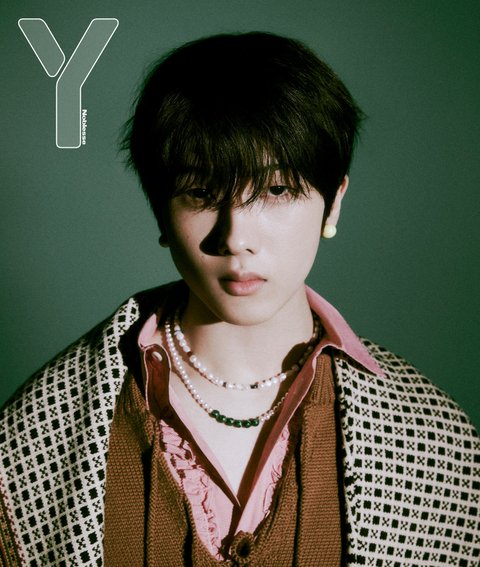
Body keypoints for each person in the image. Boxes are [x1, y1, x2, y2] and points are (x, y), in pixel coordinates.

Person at [0, 32, 478, 567]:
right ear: (161, 212)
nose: (236, 237)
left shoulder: (435, 442)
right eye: (201, 193)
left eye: (276, 190)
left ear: (333, 204)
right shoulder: (35, 436)